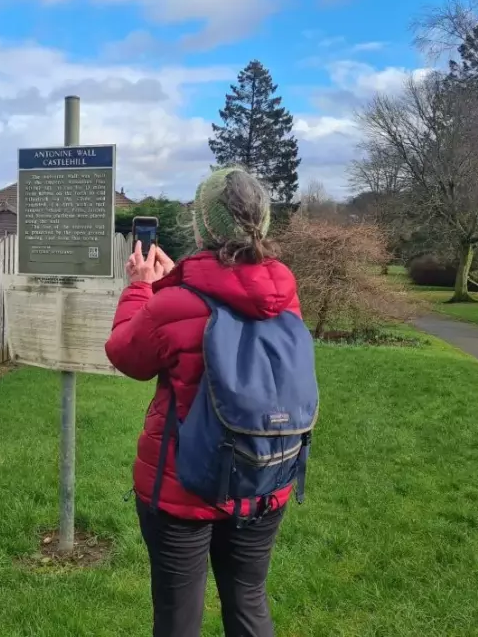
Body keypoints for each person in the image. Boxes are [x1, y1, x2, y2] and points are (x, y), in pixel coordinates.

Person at [105, 166, 305, 637]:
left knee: (178, 618)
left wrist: (140, 287)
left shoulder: (174, 301)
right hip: (265, 474)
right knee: (249, 600)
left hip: (182, 487)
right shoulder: (285, 293)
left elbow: (126, 354)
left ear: (201, 226)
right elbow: (231, 292)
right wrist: (174, 285)